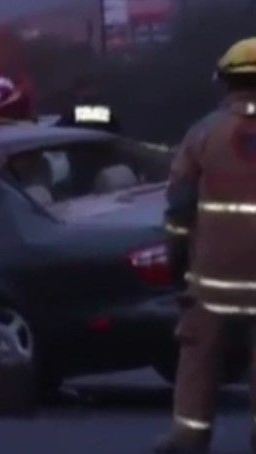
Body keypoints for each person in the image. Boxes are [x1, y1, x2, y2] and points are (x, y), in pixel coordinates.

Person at [155, 37, 256, 454]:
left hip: (212, 277)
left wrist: (177, 262)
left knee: (198, 356)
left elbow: (179, 206)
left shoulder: (203, 133)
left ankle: (190, 435)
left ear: (225, 81)